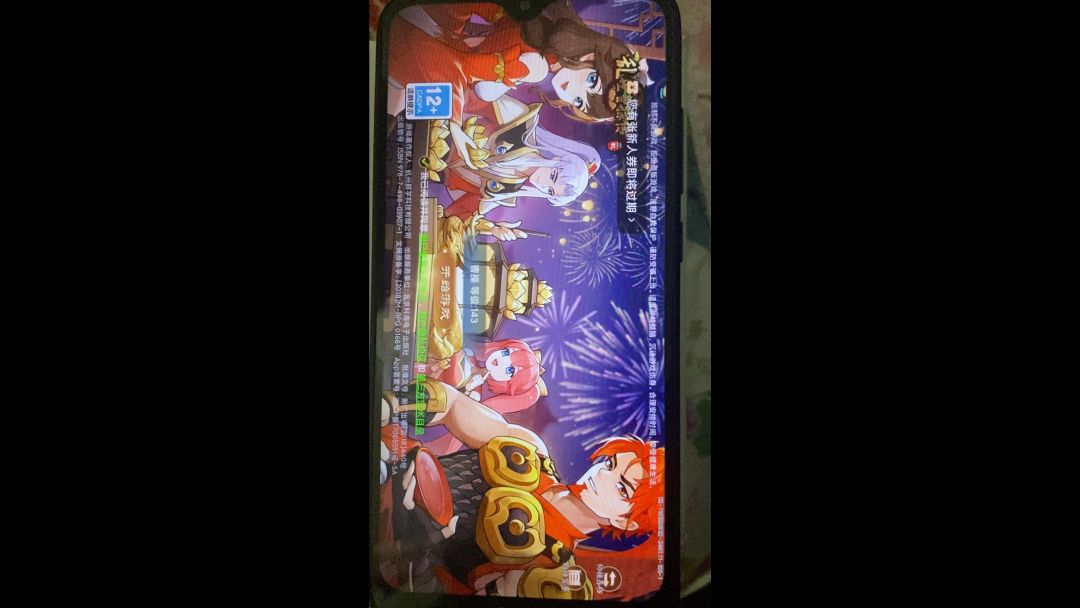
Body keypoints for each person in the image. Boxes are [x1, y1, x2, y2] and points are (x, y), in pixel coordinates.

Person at [377, 379, 665, 598]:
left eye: (622, 488)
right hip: (386, 465)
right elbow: (450, 404)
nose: (602, 475)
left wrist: (417, 553)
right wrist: (392, 405)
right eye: (610, 463)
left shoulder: (549, 571)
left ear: (625, 521)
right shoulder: (531, 453)